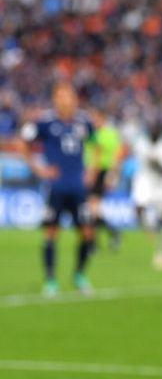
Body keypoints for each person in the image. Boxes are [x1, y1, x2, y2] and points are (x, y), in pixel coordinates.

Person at [20, 83, 96, 296]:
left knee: (87, 233)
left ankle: (79, 274)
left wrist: (91, 170)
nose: (66, 100)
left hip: (78, 187)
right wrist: (39, 169)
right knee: (51, 233)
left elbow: (95, 145)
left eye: (69, 96)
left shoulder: (84, 121)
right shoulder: (45, 122)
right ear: (55, 99)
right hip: (56, 187)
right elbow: (23, 143)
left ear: (75, 98)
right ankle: (50, 280)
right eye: (61, 96)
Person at [131, 122, 162, 270]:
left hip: (160, 184)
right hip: (145, 179)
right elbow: (141, 160)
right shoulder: (141, 143)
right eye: (151, 131)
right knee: (138, 207)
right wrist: (151, 161)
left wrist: (157, 164)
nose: (153, 133)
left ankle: (161, 251)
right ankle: (149, 227)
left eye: (156, 131)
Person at [84, 108, 123, 250]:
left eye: (95, 118)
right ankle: (106, 235)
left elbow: (116, 154)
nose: (93, 121)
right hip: (91, 171)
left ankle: (95, 242)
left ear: (102, 118)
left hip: (99, 172)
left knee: (92, 208)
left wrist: (111, 174)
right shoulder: (92, 133)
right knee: (93, 209)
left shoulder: (108, 134)